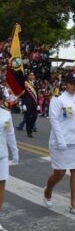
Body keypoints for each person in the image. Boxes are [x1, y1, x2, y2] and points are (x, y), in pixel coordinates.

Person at [43, 73, 75, 215]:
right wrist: (60, 140)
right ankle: (48, 190)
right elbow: (54, 121)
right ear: (65, 84)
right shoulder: (58, 100)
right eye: (72, 83)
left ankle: (74, 205)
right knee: (59, 172)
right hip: (61, 142)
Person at [0, 92, 19, 230]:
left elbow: (10, 134)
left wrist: (15, 152)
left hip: (2, 156)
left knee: (1, 187)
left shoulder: (6, 115)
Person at [19, 72, 39, 137]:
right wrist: (23, 104)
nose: (32, 76)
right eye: (30, 75)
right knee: (27, 118)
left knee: (35, 116)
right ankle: (29, 132)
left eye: (33, 75)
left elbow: (37, 94)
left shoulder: (36, 83)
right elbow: (23, 95)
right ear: (28, 76)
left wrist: (38, 104)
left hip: (34, 103)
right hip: (27, 103)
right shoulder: (25, 83)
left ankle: (30, 127)